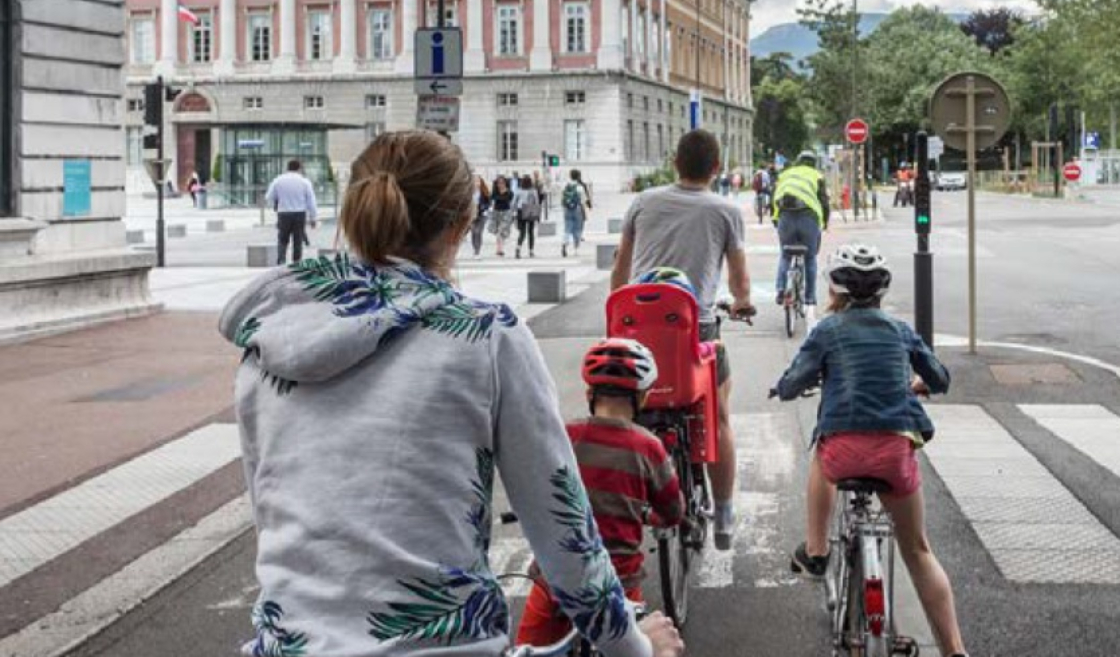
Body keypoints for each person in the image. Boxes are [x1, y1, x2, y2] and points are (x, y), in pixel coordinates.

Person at [219, 131, 683, 657]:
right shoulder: (486, 337)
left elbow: (273, 511)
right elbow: (565, 535)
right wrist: (636, 647)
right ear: (463, 225)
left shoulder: (270, 342)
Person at [772, 244, 967, 657]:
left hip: (843, 453)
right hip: (895, 453)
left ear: (835, 289)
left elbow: (794, 381)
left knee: (822, 451)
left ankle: (818, 550)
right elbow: (940, 378)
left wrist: (784, 388)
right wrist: (916, 384)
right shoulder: (900, 331)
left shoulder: (827, 331)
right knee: (917, 549)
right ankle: (954, 650)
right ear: (882, 290)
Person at [611, 128, 753, 550]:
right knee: (718, 416)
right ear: (717, 169)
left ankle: (629, 505)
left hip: (636, 322)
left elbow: (622, 263)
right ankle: (724, 512)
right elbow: (739, 277)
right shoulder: (725, 210)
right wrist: (742, 302)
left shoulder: (644, 202)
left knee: (633, 411)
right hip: (696, 326)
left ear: (674, 162)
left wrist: (617, 310)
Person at [516, 338, 685, 647]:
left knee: (530, 649)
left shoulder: (565, 435)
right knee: (643, 645)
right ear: (644, 398)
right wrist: (650, 514)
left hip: (555, 582)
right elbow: (673, 511)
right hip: (618, 585)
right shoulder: (649, 448)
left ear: (589, 394)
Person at [771, 150, 830, 308]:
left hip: (785, 217)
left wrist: (775, 219)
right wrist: (825, 221)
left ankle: (781, 289)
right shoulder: (817, 176)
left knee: (785, 255)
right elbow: (824, 201)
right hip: (808, 217)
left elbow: (774, 196)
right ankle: (810, 297)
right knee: (810, 257)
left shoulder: (785, 174)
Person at [264, 159, 318, 265]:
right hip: (299, 213)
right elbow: (311, 201)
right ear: (299, 168)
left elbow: (269, 197)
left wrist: (279, 201)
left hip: (283, 213)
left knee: (282, 239)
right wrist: (313, 218)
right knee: (297, 240)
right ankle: (296, 262)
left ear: (287, 168)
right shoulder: (304, 182)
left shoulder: (278, 180)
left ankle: (281, 260)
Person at [561, 169, 592, 257]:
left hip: (567, 209)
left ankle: (564, 243)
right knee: (577, 229)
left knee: (567, 228)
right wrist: (588, 206)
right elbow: (584, 199)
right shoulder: (580, 187)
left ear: (570, 176)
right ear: (578, 176)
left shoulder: (566, 186)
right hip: (577, 209)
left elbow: (563, 198)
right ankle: (576, 249)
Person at [513, 175, 541, 259]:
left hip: (521, 211)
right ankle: (531, 251)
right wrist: (538, 215)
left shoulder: (518, 190)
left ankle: (518, 248)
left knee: (522, 232)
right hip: (530, 211)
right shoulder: (533, 191)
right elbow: (537, 202)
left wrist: (513, 213)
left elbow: (513, 202)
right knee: (531, 232)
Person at [489, 175, 515, 257]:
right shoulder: (495, 192)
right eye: (499, 183)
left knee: (501, 230)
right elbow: (493, 199)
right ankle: (499, 248)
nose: (500, 184)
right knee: (498, 231)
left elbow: (509, 200)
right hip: (496, 212)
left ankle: (499, 249)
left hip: (506, 212)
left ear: (505, 183)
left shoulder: (509, 192)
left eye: (502, 182)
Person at [471, 174, 491, 258]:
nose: (476, 183)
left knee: (478, 232)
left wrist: (484, 208)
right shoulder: (469, 192)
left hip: (482, 214)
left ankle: (477, 251)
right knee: (473, 233)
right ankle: (475, 248)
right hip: (471, 215)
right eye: (475, 181)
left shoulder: (484, 191)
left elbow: (488, 203)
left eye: (478, 181)